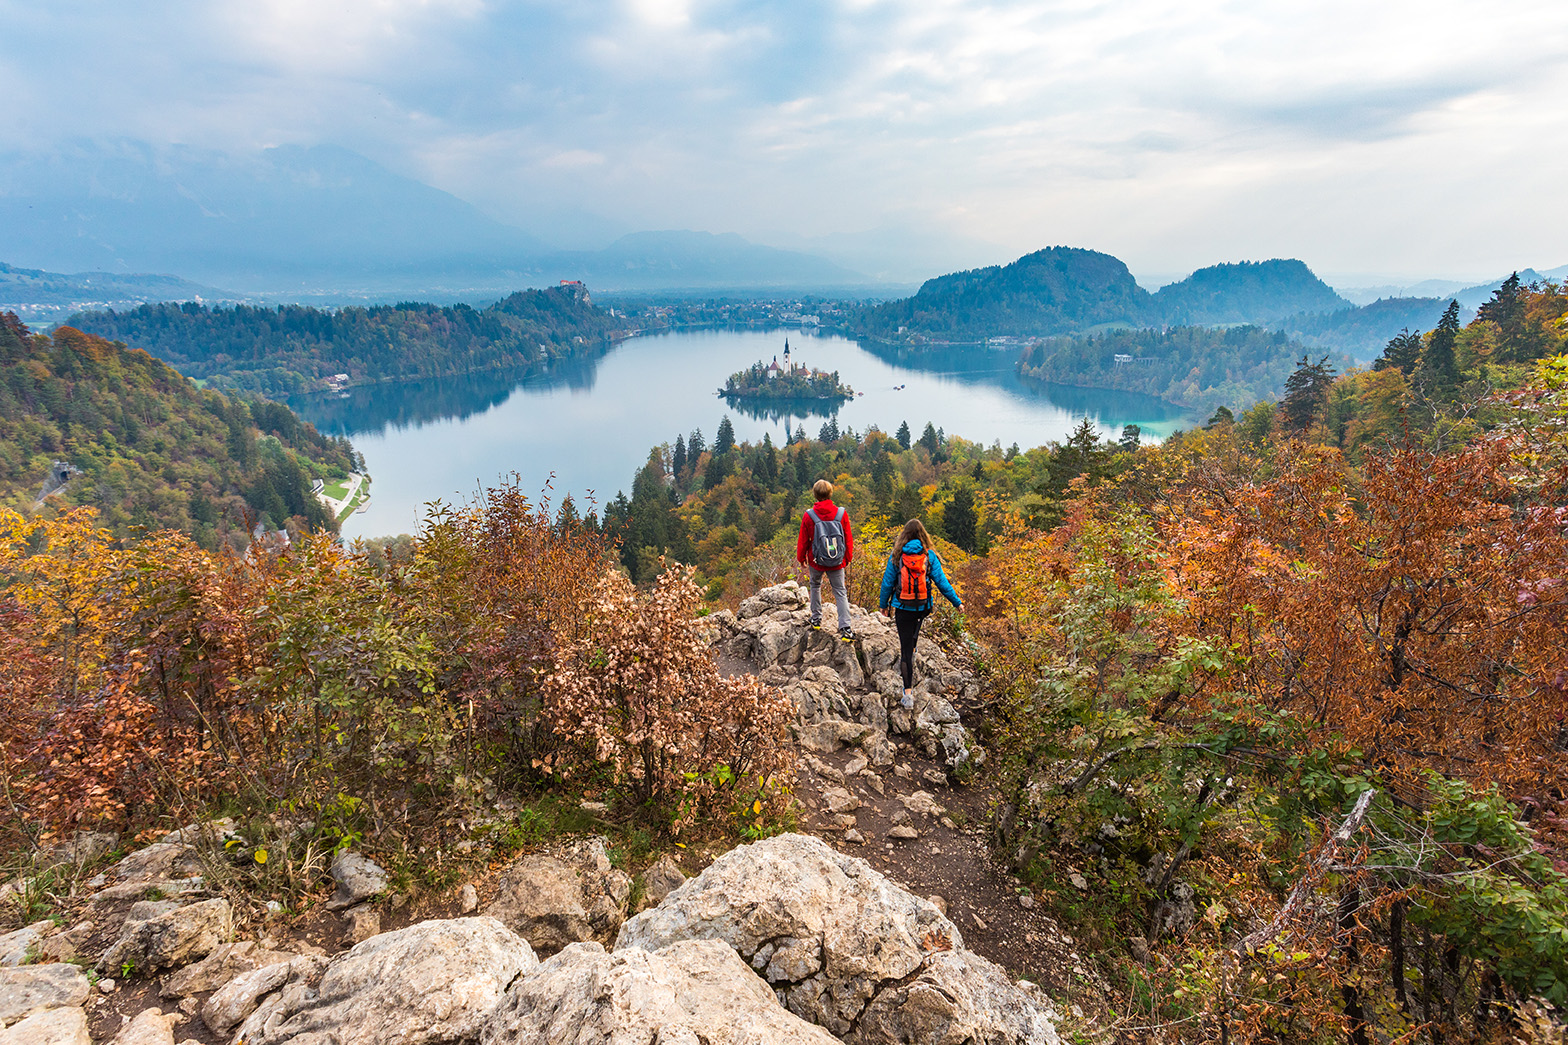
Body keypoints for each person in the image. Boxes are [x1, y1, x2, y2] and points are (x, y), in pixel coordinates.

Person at [879, 519, 962, 708]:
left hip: (902, 607)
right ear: (923, 535)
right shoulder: (929, 556)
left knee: (905, 651)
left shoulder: (896, 556)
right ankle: (914, 646)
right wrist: (957, 602)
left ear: (903, 536)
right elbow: (942, 583)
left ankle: (907, 694)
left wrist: (884, 606)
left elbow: (887, 583)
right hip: (923, 607)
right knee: (916, 624)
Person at [796, 478, 856, 641]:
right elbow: (848, 538)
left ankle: (816, 619)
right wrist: (847, 556)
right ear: (830, 494)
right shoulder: (841, 514)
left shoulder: (809, 515)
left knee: (815, 586)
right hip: (837, 560)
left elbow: (803, 539)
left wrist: (801, 557)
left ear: (815, 495)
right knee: (840, 591)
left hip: (816, 559)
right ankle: (845, 628)